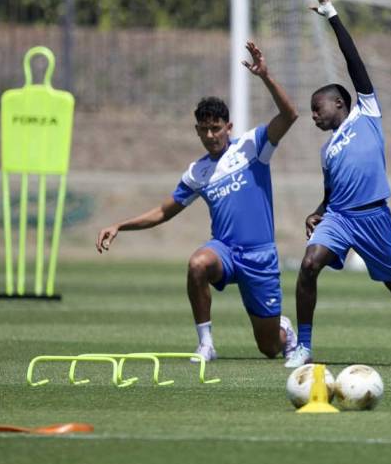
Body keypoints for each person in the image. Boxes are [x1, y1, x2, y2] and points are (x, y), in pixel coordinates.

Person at [96, 41, 298, 362]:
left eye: (216, 128)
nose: (210, 136)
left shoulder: (252, 147)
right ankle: (206, 344)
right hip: (224, 251)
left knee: (270, 347)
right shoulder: (197, 172)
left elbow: (290, 115)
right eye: (204, 130)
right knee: (197, 264)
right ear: (197, 131)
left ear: (228, 127)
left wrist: (265, 76)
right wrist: (120, 225)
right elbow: (163, 212)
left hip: (259, 256)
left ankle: (283, 329)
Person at [285, 0, 391, 369]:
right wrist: (318, 211)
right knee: (309, 265)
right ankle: (303, 347)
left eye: (317, 108)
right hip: (340, 218)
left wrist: (332, 16)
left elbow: (352, 60)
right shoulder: (327, 150)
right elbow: (331, 192)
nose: (313, 115)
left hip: (374, 218)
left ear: (340, 103)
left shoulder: (366, 113)